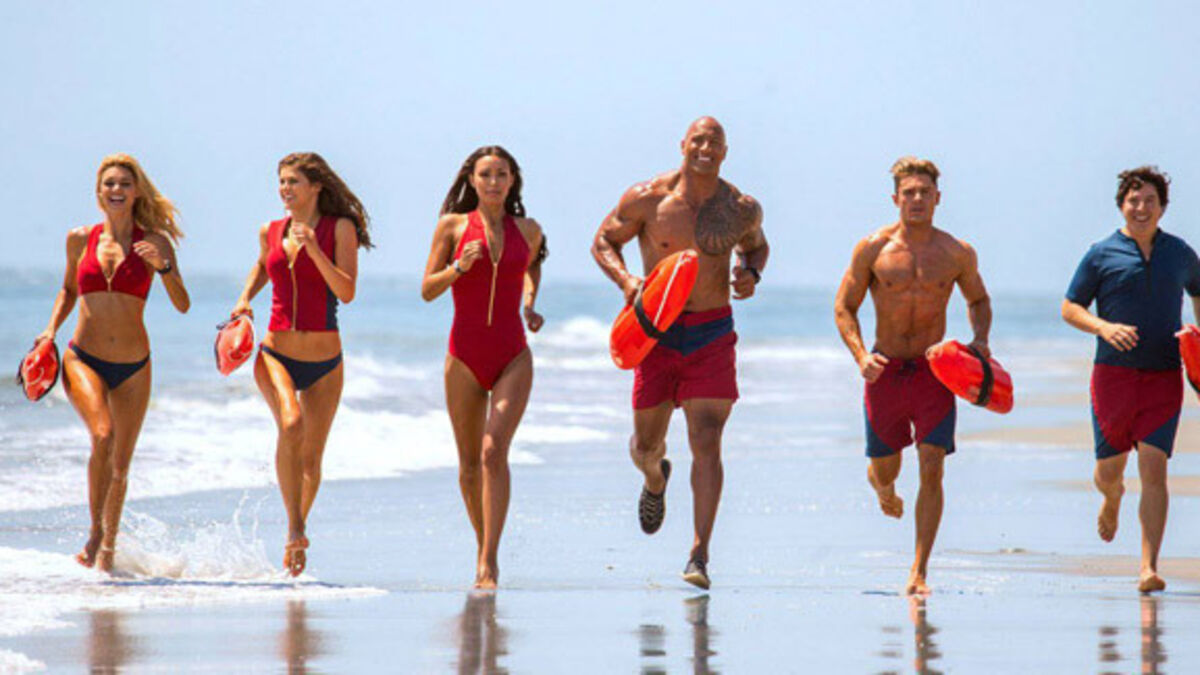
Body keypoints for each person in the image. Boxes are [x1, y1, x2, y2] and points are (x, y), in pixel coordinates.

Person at [592, 117, 767, 590]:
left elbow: (756, 248)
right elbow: (604, 241)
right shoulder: (648, 199)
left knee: (707, 439)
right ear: (683, 145)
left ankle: (699, 555)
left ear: (725, 152)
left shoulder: (740, 208)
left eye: (715, 143)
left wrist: (751, 273)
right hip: (656, 333)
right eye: (698, 140)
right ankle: (655, 479)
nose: (706, 148)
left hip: (712, 332)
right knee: (646, 446)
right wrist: (627, 281)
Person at [834, 157, 992, 595]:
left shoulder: (957, 252)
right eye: (909, 192)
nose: (917, 199)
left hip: (933, 372)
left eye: (925, 192)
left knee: (932, 465)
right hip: (884, 370)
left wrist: (980, 339)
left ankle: (919, 571)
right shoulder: (873, 249)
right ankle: (883, 488)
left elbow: (979, 300)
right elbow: (844, 306)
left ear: (938, 198)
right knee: (886, 470)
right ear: (895, 198)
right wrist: (861, 357)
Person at [36, 154, 190, 572]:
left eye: (124, 183)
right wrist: (49, 332)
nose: (116, 190)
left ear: (137, 191)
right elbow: (68, 290)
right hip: (83, 357)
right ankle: (94, 532)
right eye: (109, 184)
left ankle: (108, 548)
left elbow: (182, 304)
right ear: (98, 192)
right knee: (102, 435)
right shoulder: (79, 239)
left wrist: (164, 267)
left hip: (134, 366)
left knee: (120, 464)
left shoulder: (155, 242)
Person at [230, 152, 371, 577]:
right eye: (281, 181)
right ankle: (294, 527)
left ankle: (296, 533)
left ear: (316, 187)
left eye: (293, 181)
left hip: (326, 360)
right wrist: (244, 299)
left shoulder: (339, 229)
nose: (285, 189)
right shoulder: (270, 230)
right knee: (291, 424)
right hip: (276, 352)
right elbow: (262, 265)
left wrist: (314, 249)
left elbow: (346, 292)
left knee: (312, 459)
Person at [1061, 166, 1200, 593]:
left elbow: (1198, 293)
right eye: (1134, 201)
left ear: (1162, 207)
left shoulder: (1180, 254)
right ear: (1122, 206)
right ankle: (1111, 495)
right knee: (1109, 469)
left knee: (1154, 468)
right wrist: (1103, 327)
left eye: (1150, 201)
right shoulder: (1101, 254)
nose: (1141, 208)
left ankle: (1147, 567)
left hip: (1163, 375)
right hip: (1113, 376)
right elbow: (1070, 307)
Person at [421, 146, 546, 589]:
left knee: (494, 452)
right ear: (472, 180)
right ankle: (482, 545)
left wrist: (529, 304)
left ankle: (489, 562)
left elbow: (532, 267)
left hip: (513, 355)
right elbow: (427, 289)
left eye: (501, 174)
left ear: (513, 181)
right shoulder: (452, 227)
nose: (494, 182)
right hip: (463, 358)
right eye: (485, 174)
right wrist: (459, 267)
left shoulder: (528, 230)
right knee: (470, 465)